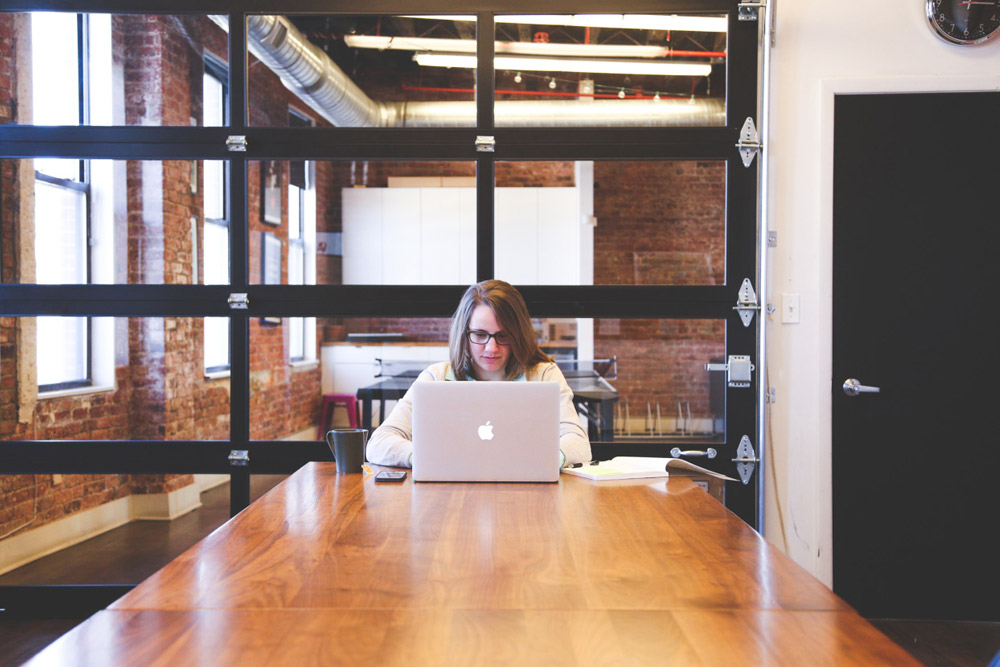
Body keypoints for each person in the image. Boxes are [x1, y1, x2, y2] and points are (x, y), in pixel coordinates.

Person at [366, 280, 592, 468]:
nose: (491, 348)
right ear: (464, 334)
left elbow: (579, 444)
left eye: (503, 336)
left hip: (526, 495)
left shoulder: (543, 375)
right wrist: (427, 458)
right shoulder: (436, 378)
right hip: (449, 496)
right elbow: (379, 443)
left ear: (518, 334)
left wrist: (540, 462)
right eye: (480, 334)